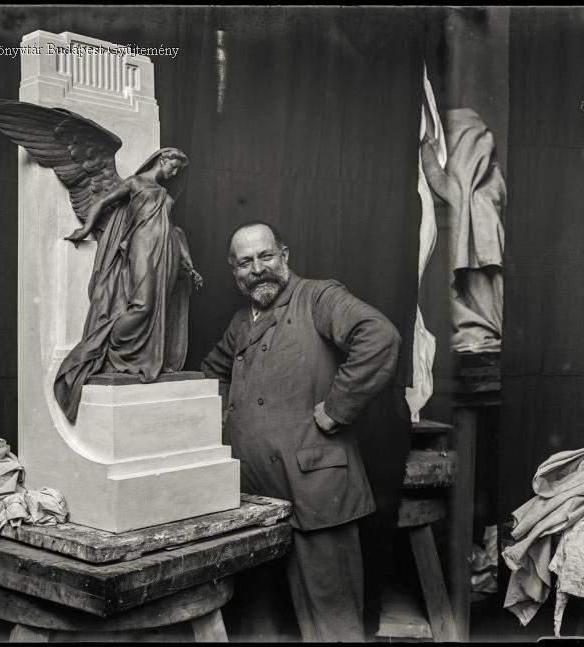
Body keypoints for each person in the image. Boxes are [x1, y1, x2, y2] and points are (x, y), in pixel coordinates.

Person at [200, 221, 401, 642]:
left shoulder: (318, 297)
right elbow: (212, 373)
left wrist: (338, 408)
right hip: (252, 495)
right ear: (234, 272)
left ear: (284, 256)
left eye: (266, 256)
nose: (258, 269)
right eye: (245, 262)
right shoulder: (241, 322)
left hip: (315, 489)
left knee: (333, 626)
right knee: (258, 621)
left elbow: (379, 336)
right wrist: (224, 419)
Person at [53, 147, 203, 422]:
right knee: (142, 304)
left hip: (165, 252)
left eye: (178, 170)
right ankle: (109, 345)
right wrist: (86, 229)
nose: (174, 173)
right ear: (162, 159)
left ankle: (144, 356)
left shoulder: (164, 193)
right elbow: (102, 201)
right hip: (141, 245)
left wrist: (187, 263)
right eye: (173, 166)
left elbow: (173, 229)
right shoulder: (135, 183)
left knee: (159, 306)